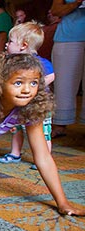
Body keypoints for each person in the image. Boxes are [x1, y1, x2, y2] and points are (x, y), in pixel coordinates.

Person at [0, 53, 84, 216]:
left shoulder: (30, 107)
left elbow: (43, 157)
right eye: (18, 83)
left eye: (34, 83)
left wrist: (63, 203)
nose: (27, 90)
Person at [0, 21, 55, 169]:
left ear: (23, 45)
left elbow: (51, 76)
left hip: (38, 105)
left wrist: (34, 87)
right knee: (16, 128)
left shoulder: (39, 62)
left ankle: (44, 156)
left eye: (10, 41)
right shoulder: (12, 63)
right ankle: (15, 152)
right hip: (18, 105)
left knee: (43, 132)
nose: (6, 45)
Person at [49, 0, 85, 138]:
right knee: (64, 82)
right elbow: (56, 10)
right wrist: (76, 3)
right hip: (68, 36)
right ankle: (60, 124)